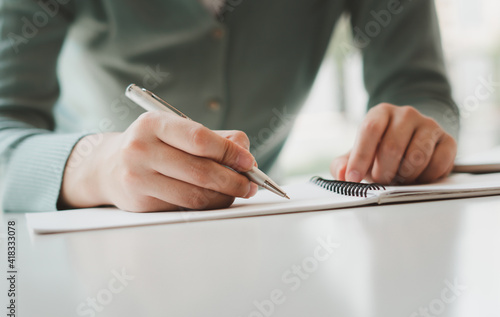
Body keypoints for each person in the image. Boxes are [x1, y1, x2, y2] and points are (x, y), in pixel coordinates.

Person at [0, 0, 459, 212]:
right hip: (93, 247)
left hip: (263, 231)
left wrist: (418, 135)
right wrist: (98, 166)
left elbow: (420, 88)